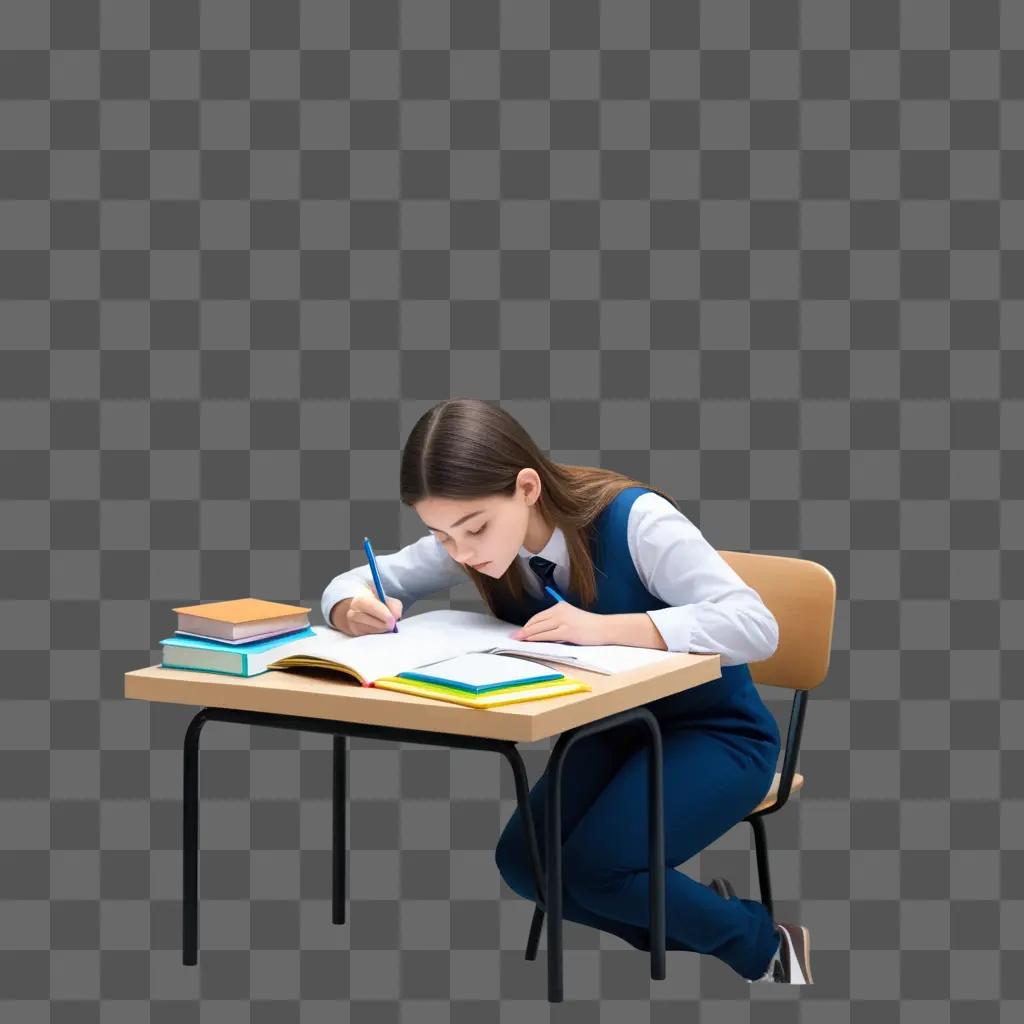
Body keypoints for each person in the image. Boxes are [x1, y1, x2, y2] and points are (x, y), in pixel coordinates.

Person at [320, 398, 813, 985]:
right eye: (440, 535)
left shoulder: (636, 521)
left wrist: (608, 629)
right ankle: (706, 917)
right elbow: (364, 579)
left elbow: (756, 625)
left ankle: (764, 944)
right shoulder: (470, 539)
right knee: (524, 863)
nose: (462, 552)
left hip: (717, 734)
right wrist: (349, 607)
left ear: (526, 487)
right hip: (615, 730)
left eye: (474, 528)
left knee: (594, 870)